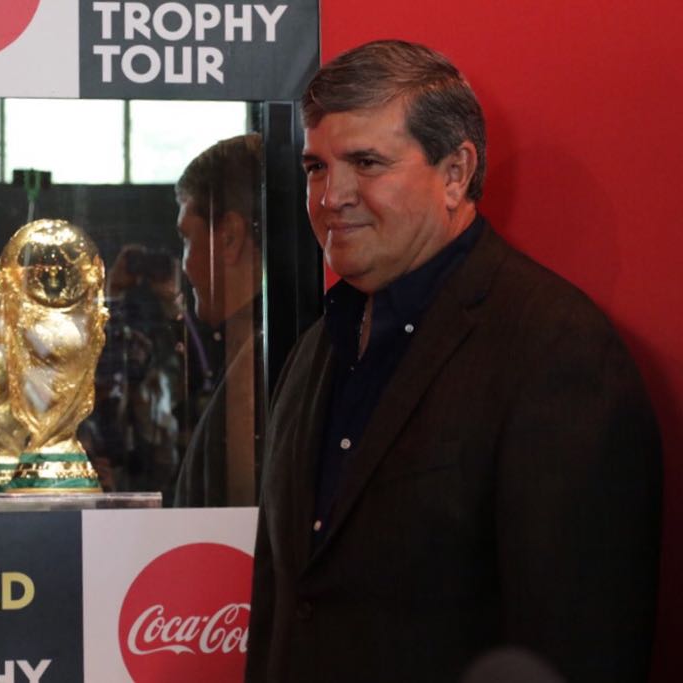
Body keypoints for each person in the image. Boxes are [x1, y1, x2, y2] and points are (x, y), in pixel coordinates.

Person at [246, 40, 661, 683]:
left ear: (456, 173)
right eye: (316, 167)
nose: (332, 196)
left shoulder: (560, 354)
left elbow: (578, 647)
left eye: (366, 162)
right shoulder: (314, 346)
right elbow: (284, 607)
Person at [172, 133, 265, 507]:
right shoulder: (254, 353)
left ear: (228, 238)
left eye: (187, 239)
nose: (185, 263)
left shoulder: (262, 368)